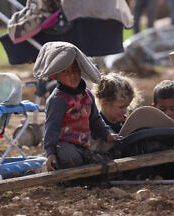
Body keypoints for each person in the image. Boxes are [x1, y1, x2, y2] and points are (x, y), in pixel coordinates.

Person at [34, 42, 116, 171]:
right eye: (65, 72)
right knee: (72, 159)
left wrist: (106, 134)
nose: (72, 75)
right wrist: (50, 153)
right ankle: (56, 168)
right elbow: (51, 127)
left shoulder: (87, 95)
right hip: (65, 145)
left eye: (75, 70)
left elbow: (95, 119)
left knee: (110, 151)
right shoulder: (58, 99)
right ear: (55, 75)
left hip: (84, 143)